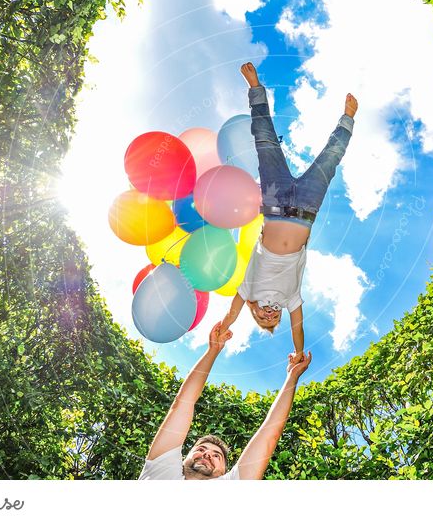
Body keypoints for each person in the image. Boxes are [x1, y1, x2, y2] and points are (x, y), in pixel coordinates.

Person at [218, 62, 358, 362]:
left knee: (265, 144)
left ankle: (255, 89)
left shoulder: (248, 289)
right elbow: (298, 325)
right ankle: (347, 120)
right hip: (306, 208)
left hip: (275, 203)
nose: (269, 312)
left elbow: (231, 311)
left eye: (262, 317)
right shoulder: (291, 298)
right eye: (273, 318)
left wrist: (224, 328)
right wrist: (297, 351)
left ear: (254, 311)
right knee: (330, 161)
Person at [138, 322, 312, 480]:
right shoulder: (161, 470)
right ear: (183, 458)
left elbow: (270, 434)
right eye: (200, 450)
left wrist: (292, 377)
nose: (207, 455)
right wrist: (213, 350)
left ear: (224, 471)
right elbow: (183, 402)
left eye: (216, 456)